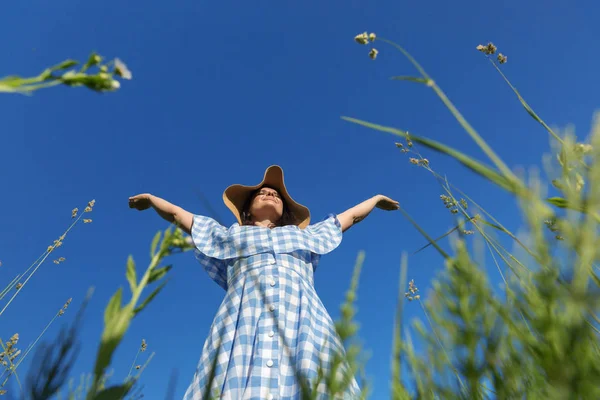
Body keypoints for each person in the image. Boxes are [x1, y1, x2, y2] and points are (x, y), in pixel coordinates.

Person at [129, 165, 399, 399]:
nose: (270, 193)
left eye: (276, 195)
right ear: (247, 210)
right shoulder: (229, 236)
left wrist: (374, 200)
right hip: (243, 323)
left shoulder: (305, 236)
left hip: (304, 322)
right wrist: (153, 200)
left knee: (311, 376)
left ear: (284, 212)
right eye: (262, 192)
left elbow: (349, 217)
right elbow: (180, 217)